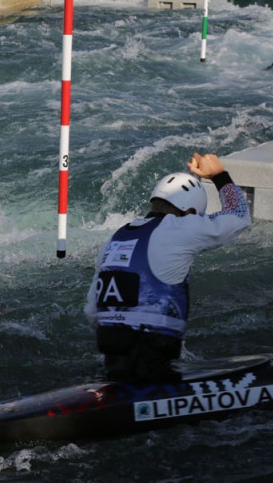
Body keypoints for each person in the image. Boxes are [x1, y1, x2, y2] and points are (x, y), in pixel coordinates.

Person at [84, 152, 251, 382]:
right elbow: (239, 216)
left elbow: (92, 311)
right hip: (153, 353)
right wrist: (219, 175)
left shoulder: (115, 238)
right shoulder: (178, 227)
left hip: (110, 351)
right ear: (189, 213)